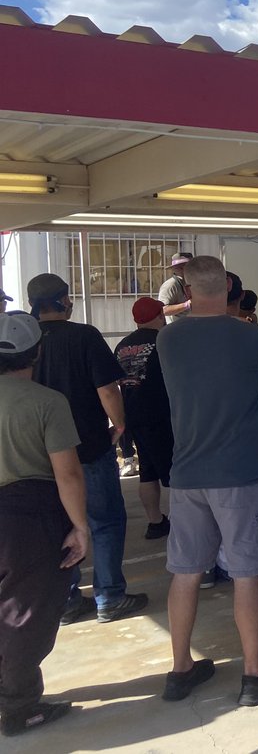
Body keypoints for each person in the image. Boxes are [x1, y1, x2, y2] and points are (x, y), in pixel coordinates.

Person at [155, 255, 258, 707]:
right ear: (229, 287)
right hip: (241, 471)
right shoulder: (251, 335)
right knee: (246, 571)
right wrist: (254, 392)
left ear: (186, 289)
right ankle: (254, 675)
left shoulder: (168, 339)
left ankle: (180, 670)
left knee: (185, 571)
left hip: (187, 474)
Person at [28, 272, 147, 625]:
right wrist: (120, 426)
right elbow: (108, 389)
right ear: (65, 300)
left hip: (43, 453)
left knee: (62, 524)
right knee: (105, 520)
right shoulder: (84, 336)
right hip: (89, 446)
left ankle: (66, 599)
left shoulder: (26, 342)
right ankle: (109, 596)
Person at [0, 311, 88, 738]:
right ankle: (18, 707)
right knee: (25, 613)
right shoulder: (46, 402)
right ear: (35, 352)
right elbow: (67, 474)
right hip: (28, 516)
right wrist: (80, 526)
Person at [115, 297, 175, 540]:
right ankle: (185, 521)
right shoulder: (165, 341)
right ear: (160, 315)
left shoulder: (122, 346)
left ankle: (155, 522)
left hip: (133, 415)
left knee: (147, 471)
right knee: (175, 472)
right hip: (162, 414)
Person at [158, 252, 193, 322]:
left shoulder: (194, 282)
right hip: (178, 330)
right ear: (175, 269)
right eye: (180, 266)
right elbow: (163, 310)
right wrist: (187, 304)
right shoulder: (170, 285)